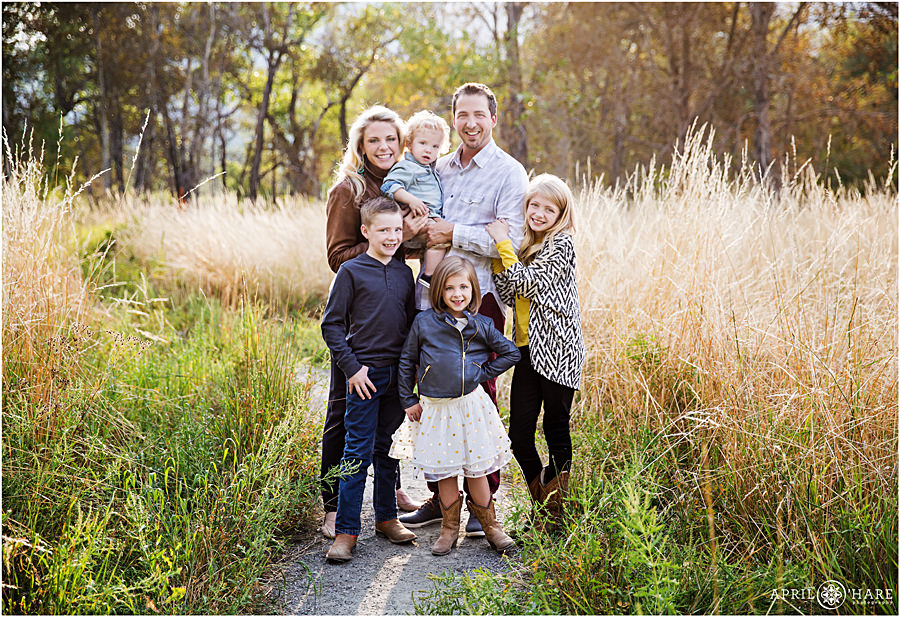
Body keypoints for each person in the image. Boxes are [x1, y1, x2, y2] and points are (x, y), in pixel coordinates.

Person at [401, 82, 529, 533]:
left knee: (478, 396)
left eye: (479, 115)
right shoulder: (438, 168)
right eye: (462, 115)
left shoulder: (509, 172)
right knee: (435, 396)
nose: (470, 123)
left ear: (494, 119)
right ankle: (441, 499)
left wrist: (452, 231)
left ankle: (484, 502)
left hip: (481, 302)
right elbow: (422, 229)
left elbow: (510, 240)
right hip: (431, 299)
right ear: (453, 119)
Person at [321, 105, 428, 540]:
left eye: (390, 140)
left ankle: (390, 498)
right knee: (342, 417)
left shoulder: (404, 183)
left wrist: (409, 236)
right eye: (373, 141)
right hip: (359, 328)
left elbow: (403, 250)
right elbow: (337, 255)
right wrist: (382, 248)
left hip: (392, 320)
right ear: (360, 146)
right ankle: (333, 508)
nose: (383, 147)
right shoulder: (348, 190)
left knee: (388, 426)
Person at [391, 257, 519, 555]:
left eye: (464, 286)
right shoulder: (424, 323)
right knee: (445, 470)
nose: (457, 293)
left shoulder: (482, 325)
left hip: (470, 407)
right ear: (439, 291)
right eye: (449, 288)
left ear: (474, 289)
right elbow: (407, 361)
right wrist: (408, 399)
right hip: (436, 409)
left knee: (476, 470)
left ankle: (492, 527)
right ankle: (449, 529)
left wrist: (480, 374)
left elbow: (511, 353)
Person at [320, 197, 419, 562]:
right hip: (364, 375)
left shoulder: (404, 273)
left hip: (397, 377)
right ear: (366, 231)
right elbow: (331, 325)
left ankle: (387, 518)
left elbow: (411, 326)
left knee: (389, 448)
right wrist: (352, 368)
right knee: (356, 451)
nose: (392, 236)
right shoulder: (351, 272)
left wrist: (411, 376)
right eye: (384, 230)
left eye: (397, 229)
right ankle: (346, 531)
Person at [486, 174, 585, 527]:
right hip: (528, 350)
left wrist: (502, 244)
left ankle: (552, 515)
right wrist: (500, 257)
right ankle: (545, 507)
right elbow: (512, 295)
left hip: (559, 350)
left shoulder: (562, 246)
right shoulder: (527, 248)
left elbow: (527, 282)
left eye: (549, 208)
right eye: (534, 205)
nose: (539, 213)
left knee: (556, 428)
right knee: (520, 435)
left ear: (561, 214)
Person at [381, 110, 451, 306]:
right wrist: (411, 200)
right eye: (423, 144)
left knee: (437, 243)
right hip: (417, 220)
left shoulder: (431, 169)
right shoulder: (407, 167)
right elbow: (389, 186)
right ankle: (429, 277)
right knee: (439, 239)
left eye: (435, 146)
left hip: (429, 218)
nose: (429, 150)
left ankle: (426, 283)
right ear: (409, 144)